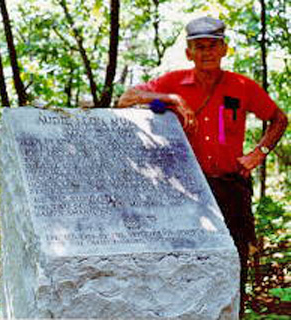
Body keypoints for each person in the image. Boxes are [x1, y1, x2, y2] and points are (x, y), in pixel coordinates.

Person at [117, 16, 288, 317]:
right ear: (189, 53)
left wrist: (257, 153)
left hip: (230, 186)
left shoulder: (242, 86)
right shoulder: (172, 82)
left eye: (213, 46)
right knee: (184, 257)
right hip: (185, 189)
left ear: (224, 50)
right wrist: (171, 98)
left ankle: (231, 313)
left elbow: (279, 119)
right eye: (199, 47)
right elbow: (126, 100)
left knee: (235, 257)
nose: (206, 52)